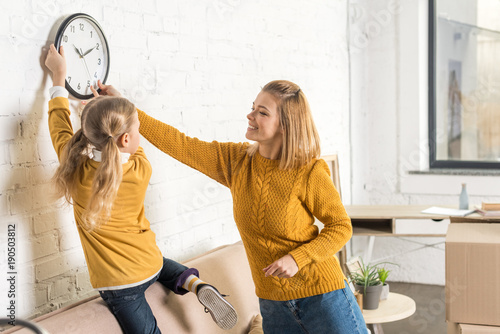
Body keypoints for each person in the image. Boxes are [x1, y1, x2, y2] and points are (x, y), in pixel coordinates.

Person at [92, 78, 366, 333]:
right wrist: (127, 111)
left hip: (323, 297)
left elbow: (341, 227)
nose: (250, 116)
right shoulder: (237, 161)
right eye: (252, 108)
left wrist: (298, 258)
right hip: (273, 304)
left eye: (262, 112)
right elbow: (180, 144)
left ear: (285, 125)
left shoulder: (308, 170)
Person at [44, 44, 237, 334]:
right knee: (165, 266)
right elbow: (129, 141)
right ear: (124, 140)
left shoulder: (76, 173)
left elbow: (59, 129)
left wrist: (59, 76)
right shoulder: (140, 169)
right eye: (135, 130)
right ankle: (193, 282)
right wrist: (117, 101)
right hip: (150, 261)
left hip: (121, 284)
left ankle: (188, 283)